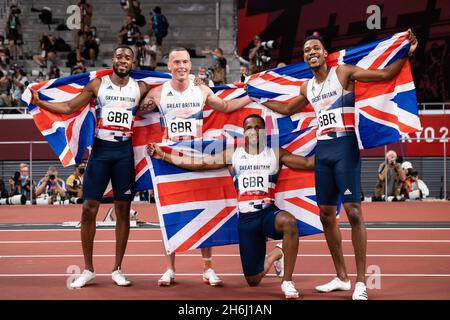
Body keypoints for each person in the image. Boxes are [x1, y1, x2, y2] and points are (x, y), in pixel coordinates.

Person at [255, 30, 418, 300]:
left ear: (325, 53)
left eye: (316, 48)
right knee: (326, 215)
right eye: (307, 50)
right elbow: (287, 110)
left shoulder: (342, 73)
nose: (311, 53)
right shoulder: (308, 87)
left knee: (354, 213)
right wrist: (257, 95)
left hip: (345, 147)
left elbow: (384, 76)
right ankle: (342, 277)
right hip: (324, 152)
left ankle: (361, 282)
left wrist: (406, 53)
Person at [147, 114, 314, 298]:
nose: (254, 131)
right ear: (244, 132)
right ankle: (278, 253)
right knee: (253, 280)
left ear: (264, 131)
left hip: (268, 214)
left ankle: (287, 282)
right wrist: (163, 155)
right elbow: (199, 163)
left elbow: (306, 163)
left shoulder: (276, 153)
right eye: (249, 127)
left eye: (258, 127)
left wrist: (339, 151)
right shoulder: (233, 155)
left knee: (289, 222)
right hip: (246, 220)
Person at [30, 45, 155, 288]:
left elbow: (163, 94)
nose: (123, 60)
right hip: (100, 151)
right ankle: (88, 269)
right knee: (88, 208)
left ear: (133, 63)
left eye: (128, 57)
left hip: (124, 154)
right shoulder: (98, 85)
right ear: (113, 59)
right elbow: (68, 107)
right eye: (119, 56)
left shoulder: (140, 88)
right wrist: (40, 102)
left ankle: (117, 269)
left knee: (123, 210)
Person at [140, 47, 252, 286]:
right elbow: (138, 109)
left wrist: (252, 95)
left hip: (198, 156)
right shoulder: (158, 92)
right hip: (168, 156)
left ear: (190, 65)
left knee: (206, 209)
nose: (181, 66)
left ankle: (207, 268)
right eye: (176, 62)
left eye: (185, 62)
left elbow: (225, 107)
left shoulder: (201, 89)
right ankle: (170, 269)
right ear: (169, 66)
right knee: (169, 212)